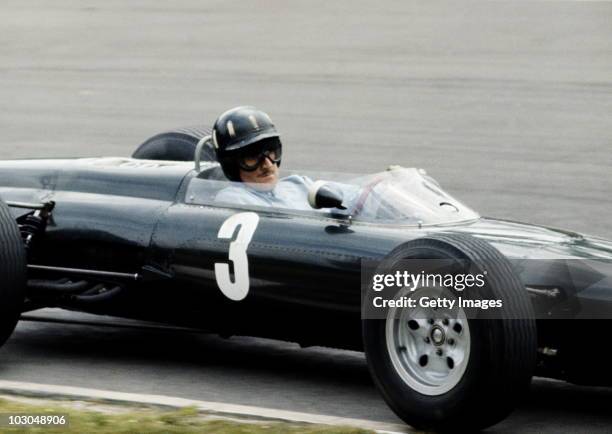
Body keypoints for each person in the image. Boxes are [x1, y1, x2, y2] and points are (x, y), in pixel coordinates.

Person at [213, 106, 314, 210]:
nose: (267, 165)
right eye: (253, 157)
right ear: (232, 166)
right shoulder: (233, 199)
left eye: (270, 151)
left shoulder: (299, 184)